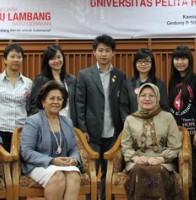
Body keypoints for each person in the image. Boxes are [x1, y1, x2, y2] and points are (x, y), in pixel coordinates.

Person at [75, 34, 126, 200]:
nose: (104, 54)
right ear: (94, 52)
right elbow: (80, 104)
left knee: (108, 173)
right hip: (91, 133)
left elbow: (122, 104)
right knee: (91, 172)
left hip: (113, 133)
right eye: (101, 50)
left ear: (113, 53)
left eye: (107, 51)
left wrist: (124, 129)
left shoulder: (119, 75)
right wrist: (82, 130)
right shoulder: (84, 75)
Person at [20, 80, 81, 200]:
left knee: (74, 174)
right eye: (51, 98)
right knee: (58, 176)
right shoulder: (33, 121)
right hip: (38, 165)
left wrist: (74, 160)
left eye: (59, 99)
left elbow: (73, 148)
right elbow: (26, 152)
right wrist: (52, 160)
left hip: (63, 165)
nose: (56, 102)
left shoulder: (67, 121)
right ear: (43, 101)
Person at [121, 83, 183, 200]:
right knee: (139, 169)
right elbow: (126, 147)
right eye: (143, 95)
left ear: (157, 98)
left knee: (157, 171)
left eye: (151, 95)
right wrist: (135, 158)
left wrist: (160, 159)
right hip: (137, 161)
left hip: (163, 161)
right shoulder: (130, 119)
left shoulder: (167, 117)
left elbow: (175, 146)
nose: (147, 99)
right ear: (138, 98)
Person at [168, 45, 196, 200]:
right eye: (177, 58)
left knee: (195, 171)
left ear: (189, 60)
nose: (180, 62)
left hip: (193, 131)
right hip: (175, 133)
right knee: (177, 169)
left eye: (183, 58)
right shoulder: (172, 81)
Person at [0, 43, 32, 151]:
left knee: (19, 164)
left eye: (19, 57)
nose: (16, 60)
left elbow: (30, 108)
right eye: (12, 56)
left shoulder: (28, 83)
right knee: (0, 164)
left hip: (21, 132)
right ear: (5, 60)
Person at [27, 45, 77, 124]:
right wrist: (48, 117)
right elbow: (33, 106)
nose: (56, 61)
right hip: (48, 124)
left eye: (58, 57)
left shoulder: (72, 79)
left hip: (69, 124)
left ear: (63, 58)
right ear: (47, 61)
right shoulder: (41, 80)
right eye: (52, 58)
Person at [119, 48, 169, 122]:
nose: (143, 64)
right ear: (135, 63)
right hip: (133, 127)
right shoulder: (127, 84)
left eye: (147, 61)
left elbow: (164, 107)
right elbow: (123, 107)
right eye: (140, 61)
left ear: (152, 64)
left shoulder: (160, 84)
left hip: (155, 127)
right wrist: (129, 124)